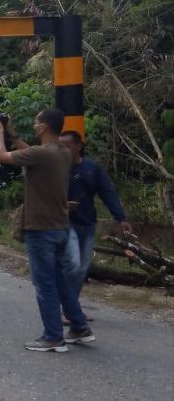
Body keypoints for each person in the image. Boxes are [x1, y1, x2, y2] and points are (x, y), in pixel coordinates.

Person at [0, 109, 94, 352]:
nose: (35, 125)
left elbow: (2, 156)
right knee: (60, 282)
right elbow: (30, 152)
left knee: (45, 284)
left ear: (43, 127)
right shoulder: (61, 153)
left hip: (41, 228)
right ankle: (79, 327)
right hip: (59, 226)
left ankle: (53, 337)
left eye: (37, 122)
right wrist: (12, 133)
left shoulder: (42, 154)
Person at [60, 131, 130, 307]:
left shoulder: (92, 168)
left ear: (78, 146)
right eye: (60, 146)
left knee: (83, 268)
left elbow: (107, 192)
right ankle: (68, 308)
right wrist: (62, 205)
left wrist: (120, 217)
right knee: (73, 264)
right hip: (65, 223)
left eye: (67, 146)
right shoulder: (57, 168)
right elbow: (44, 193)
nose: (63, 150)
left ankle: (71, 306)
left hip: (88, 222)